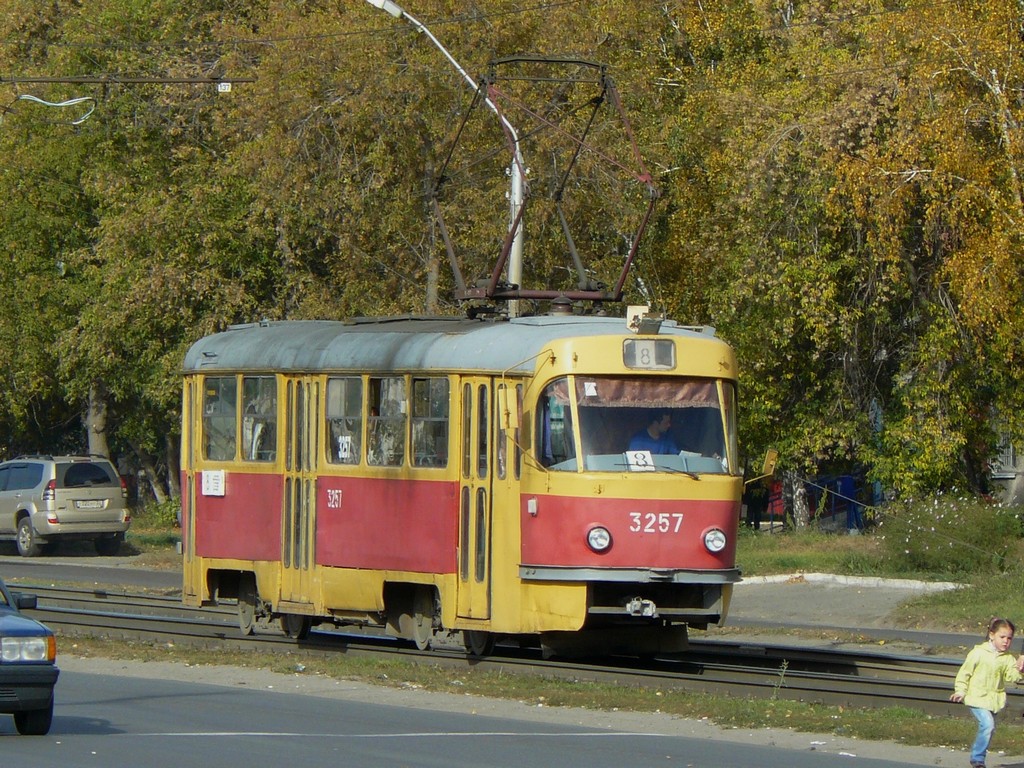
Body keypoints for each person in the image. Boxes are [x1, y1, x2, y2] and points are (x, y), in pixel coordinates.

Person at [950, 617, 1024, 768]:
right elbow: (964, 673)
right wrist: (960, 691)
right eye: (1002, 637)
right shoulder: (978, 653)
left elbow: (1012, 677)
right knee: (988, 725)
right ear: (992, 635)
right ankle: (977, 759)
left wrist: (1019, 669)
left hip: (994, 701)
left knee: (989, 729)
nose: (1005, 641)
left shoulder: (1008, 658)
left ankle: (979, 757)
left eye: (1009, 638)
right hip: (976, 697)